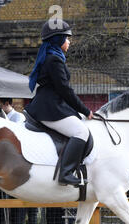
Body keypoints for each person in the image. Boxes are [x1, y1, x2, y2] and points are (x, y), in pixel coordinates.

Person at [25, 19, 93, 187]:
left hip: (49, 105)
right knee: (81, 132)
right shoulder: (54, 60)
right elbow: (65, 90)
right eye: (67, 38)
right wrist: (85, 110)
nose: (69, 42)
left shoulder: (51, 57)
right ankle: (65, 173)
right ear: (58, 40)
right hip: (50, 108)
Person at [0, 97, 38, 224]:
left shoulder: (18, 118)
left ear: (6, 104)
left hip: (18, 169)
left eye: (0, 105)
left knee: (20, 208)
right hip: (6, 168)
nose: (0, 109)